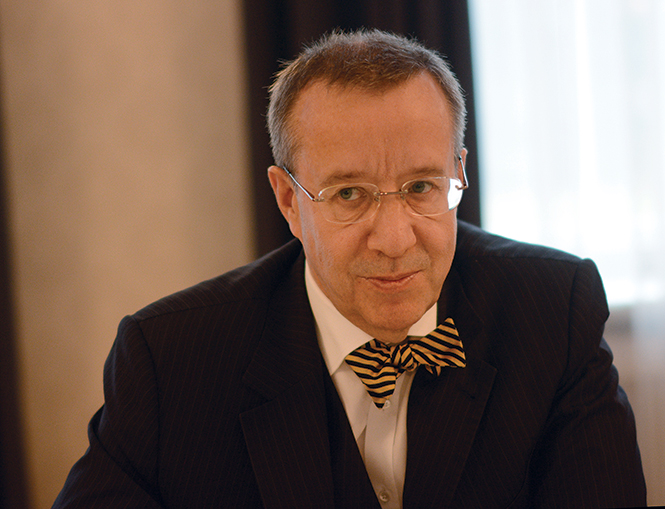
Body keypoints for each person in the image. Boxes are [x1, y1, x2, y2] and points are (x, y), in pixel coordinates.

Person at [52, 29, 646, 509]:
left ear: (458, 172)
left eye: (421, 186)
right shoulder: (169, 359)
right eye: (348, 195)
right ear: (288, 200)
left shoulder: (554, 311)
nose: (393, 240)